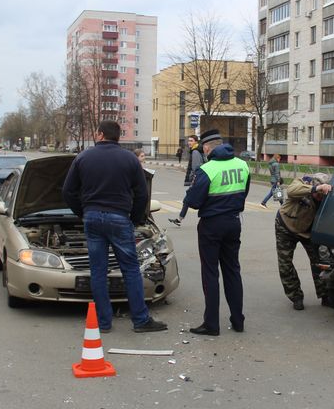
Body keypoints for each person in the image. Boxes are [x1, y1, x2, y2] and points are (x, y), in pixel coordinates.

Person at [62, 120, 167, 334]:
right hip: (119, 218)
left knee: (98, 271)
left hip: (92, 218)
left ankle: (103, 322)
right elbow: (142, 194)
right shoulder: (129, 159)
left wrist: (83, 212)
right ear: (117, 136)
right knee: (130, 269)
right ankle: (140, 320)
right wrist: (134, 219)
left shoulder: (83, 157)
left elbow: (68, 191)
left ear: (101, 134)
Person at [182, 128, 250, 336]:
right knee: (232, 271)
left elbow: (194, 201)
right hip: (234, 223)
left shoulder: (207, 169)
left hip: (211, 225)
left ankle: (211, 324)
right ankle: (238, 321)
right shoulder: (242, 165)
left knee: (210, 273)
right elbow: (244, 192)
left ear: (206, 148)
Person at [274, 173, 333, 310]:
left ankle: (325, 295)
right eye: (318, 194)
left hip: (307, 232)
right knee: (285, 264)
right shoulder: (302, 183)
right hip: (286, 226)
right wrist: (315, 189)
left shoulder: (327, 195)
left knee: (319, 262)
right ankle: (296, 296)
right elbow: (291, 191)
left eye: (322, 195)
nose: (320, 197)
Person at [169, 134, 204, 226]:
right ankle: (179, 219)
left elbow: (196, 167)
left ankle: (180, 219)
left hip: (196, 179)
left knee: (188, 199)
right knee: (188, 200)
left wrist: (193, 178)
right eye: (188, 141)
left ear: (196, 142)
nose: (189, 142)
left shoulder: (195, 152)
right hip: (199, 178)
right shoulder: (197, 150)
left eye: (191, 141)